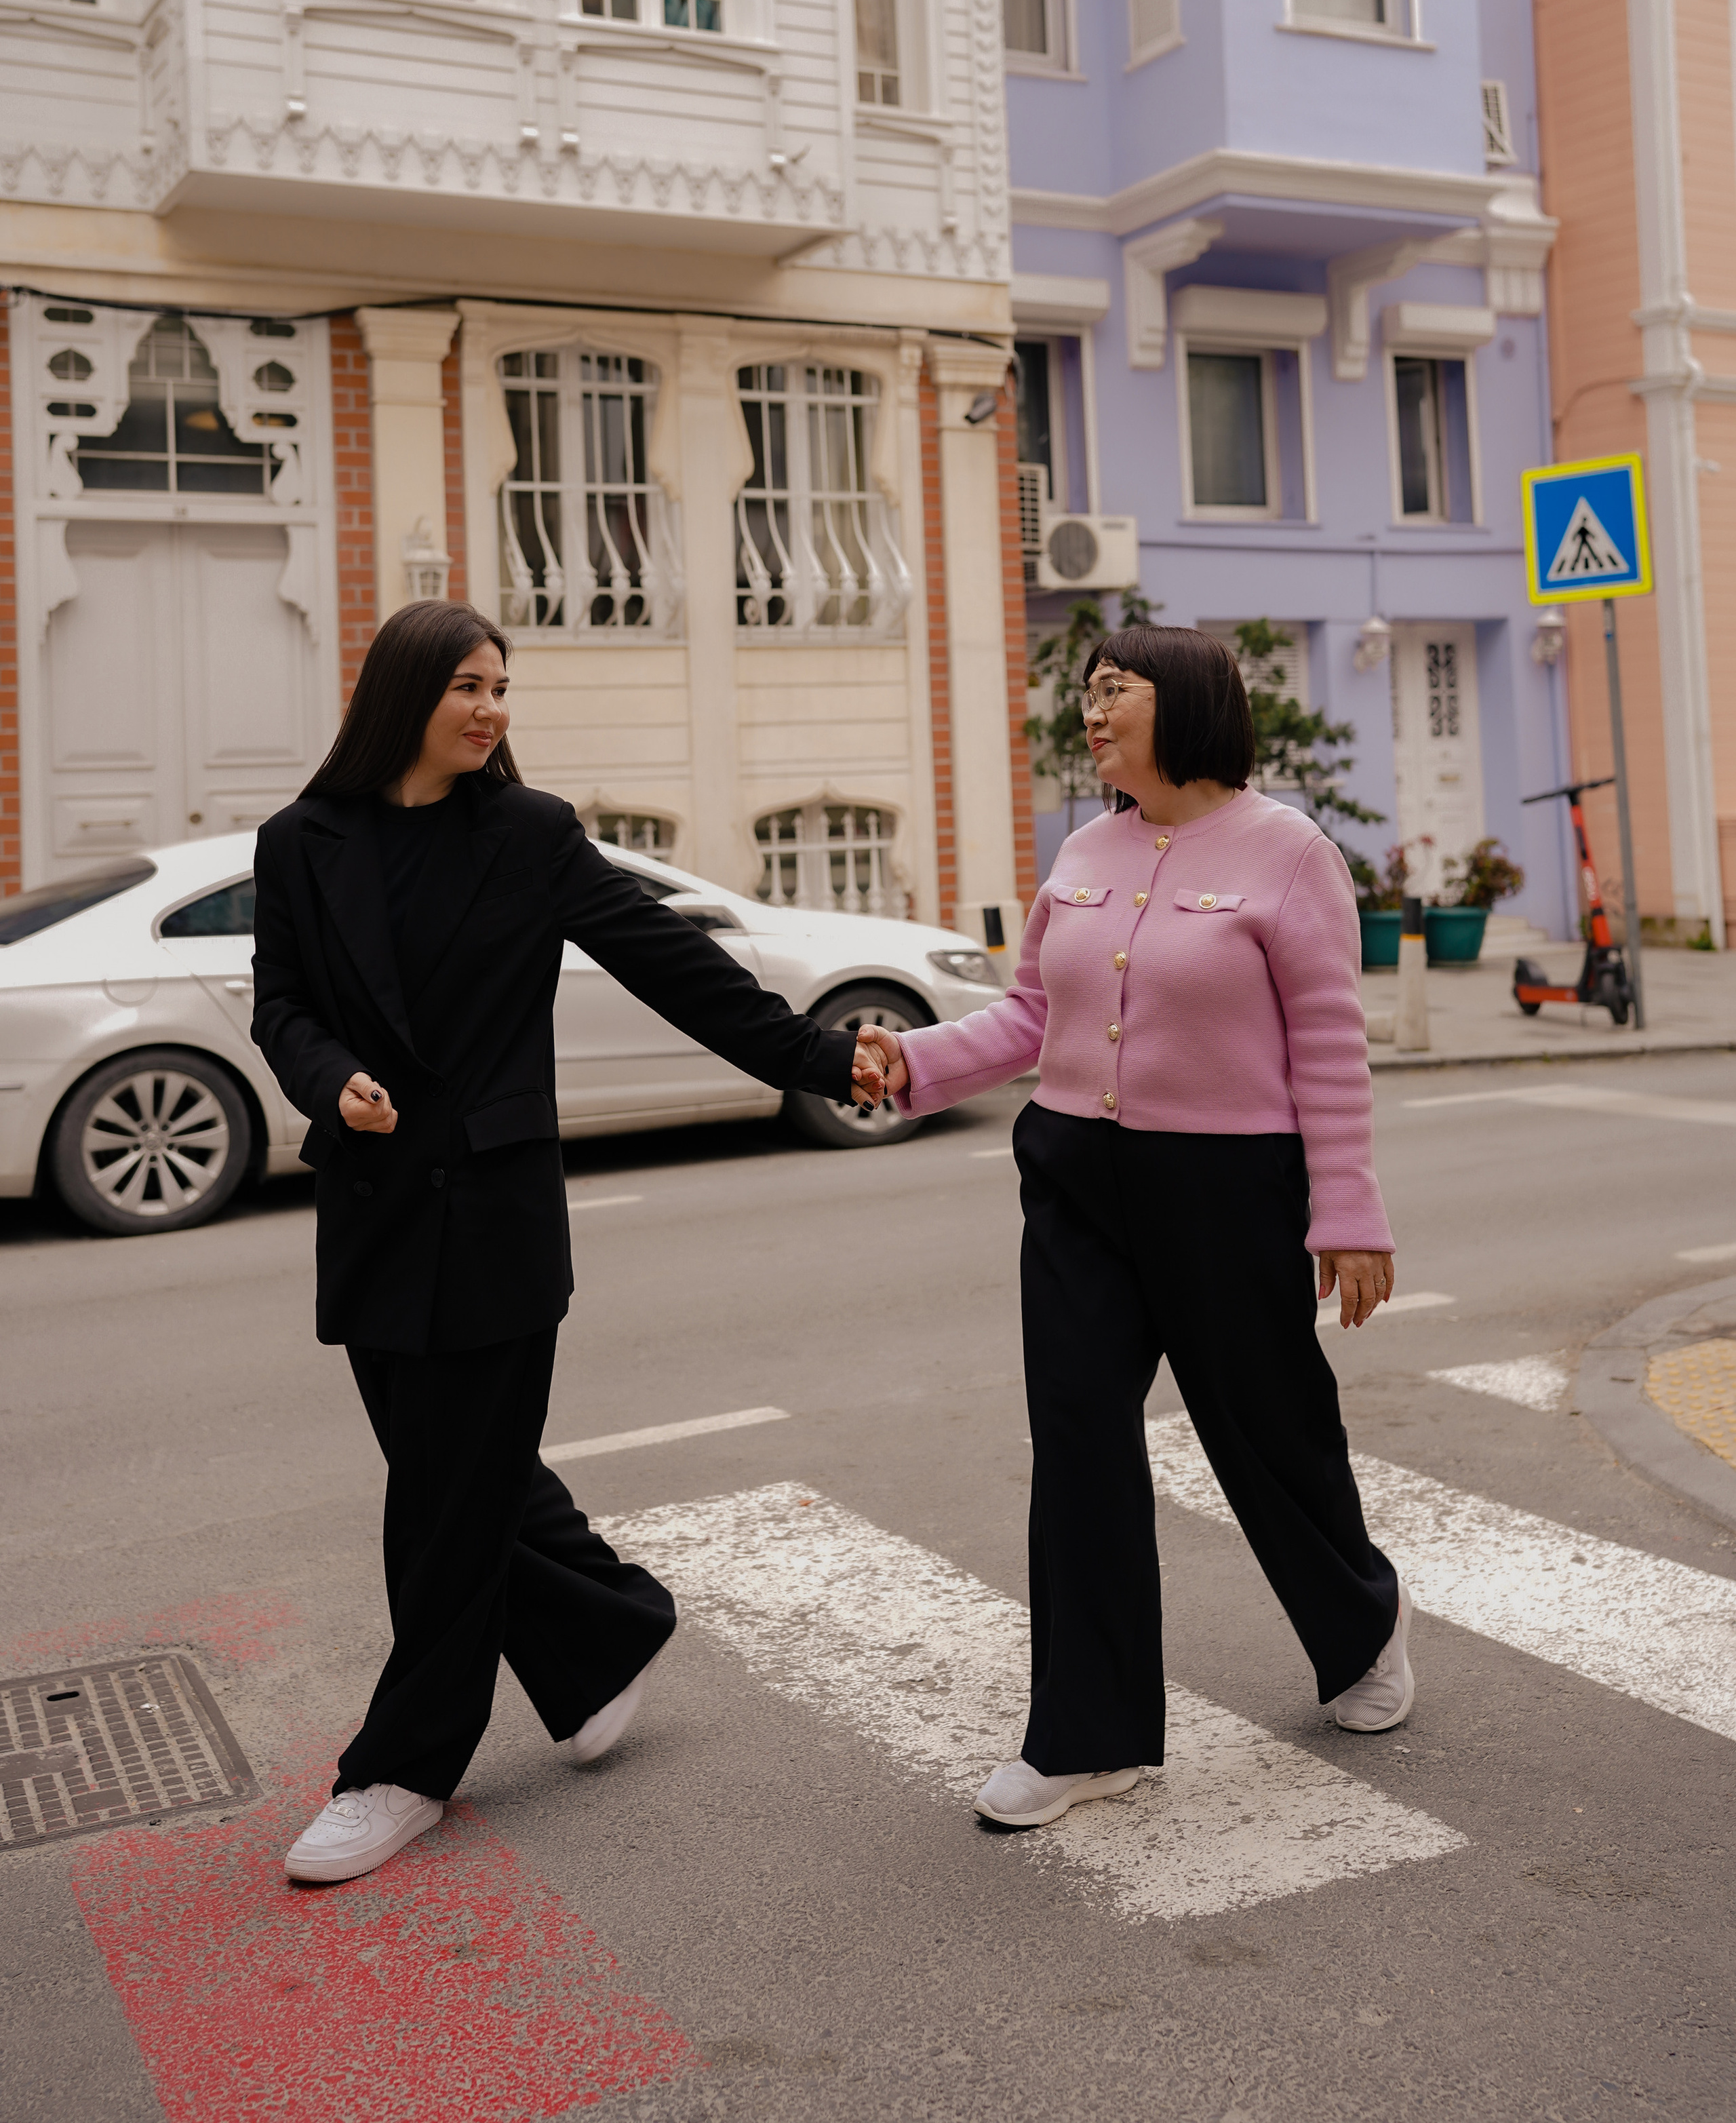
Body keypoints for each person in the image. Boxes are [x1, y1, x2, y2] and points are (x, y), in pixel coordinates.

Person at [251, 599, 886, 1885]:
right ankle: (610, 1631)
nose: (492, 709)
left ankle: (401, 1769)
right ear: (405, 697)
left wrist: (824, 1059)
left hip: (494, 1216)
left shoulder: (529, 835)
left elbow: (673, 962)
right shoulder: (301, 842)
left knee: (441, 1500)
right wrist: (330, 1081)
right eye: (469, 687)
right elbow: (283, 1005)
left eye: (503, 687)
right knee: (465, 1473)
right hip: (375, 1212)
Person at [856, 624, 1408, 1832]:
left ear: (1191, 701)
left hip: (1225, 1191)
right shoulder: (1085, 850)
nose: (1092, 714)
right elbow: (1029, 1020)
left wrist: (1348, 1212)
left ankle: (1360, 1622)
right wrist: (910, 1066)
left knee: (1270, 1430)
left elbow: (1328, 1041)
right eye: (1086, 695)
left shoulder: (1290, 855)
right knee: (1080, 1441)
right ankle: (1088, 1737)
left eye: (1115, 692)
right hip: (1075, 1182)